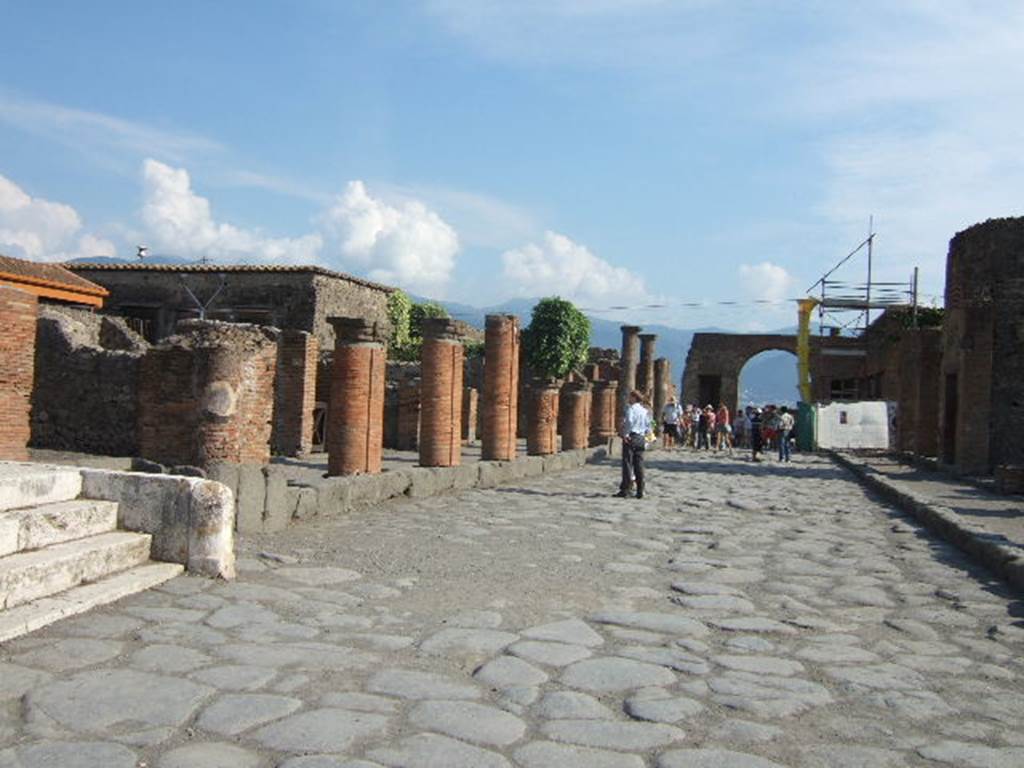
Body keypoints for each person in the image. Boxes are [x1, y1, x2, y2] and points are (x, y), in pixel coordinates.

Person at [615, 389, 652, 499]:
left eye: (630, 397)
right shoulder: (644, 411)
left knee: (628, 463)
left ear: (634, 398)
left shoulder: (631, 409)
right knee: (639, 465)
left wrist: (625, 434)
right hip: (641, 438)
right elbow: (649, 425)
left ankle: (626, 489)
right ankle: (640, 490)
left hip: (631, 437)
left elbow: (629, 422)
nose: (629, 399)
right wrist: (647, 440)